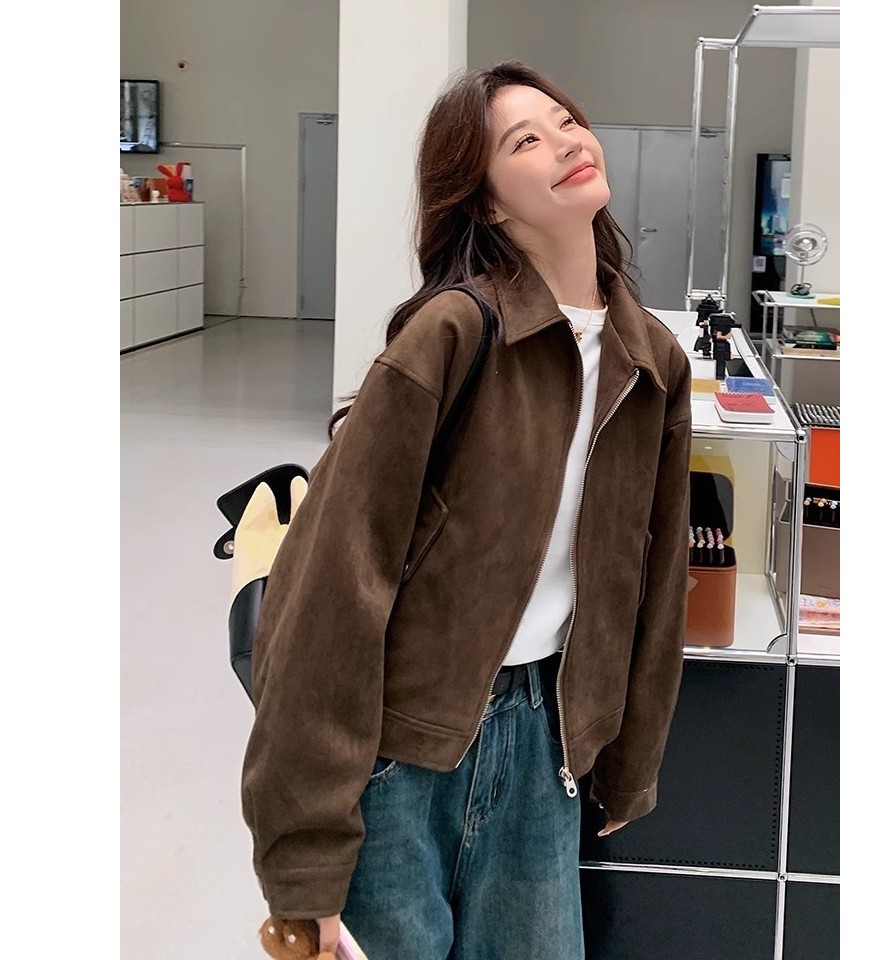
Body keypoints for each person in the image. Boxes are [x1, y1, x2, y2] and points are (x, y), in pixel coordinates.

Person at [241, 60, 692, 960]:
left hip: (546, 743)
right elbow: (329, 591)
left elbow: (655, 577)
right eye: (525, 140)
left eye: (567, 121)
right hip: (399, 751)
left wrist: (628, 759)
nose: (564, 141)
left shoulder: (652, 360)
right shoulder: (452, 333)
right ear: (486, 201)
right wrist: (305, 860)